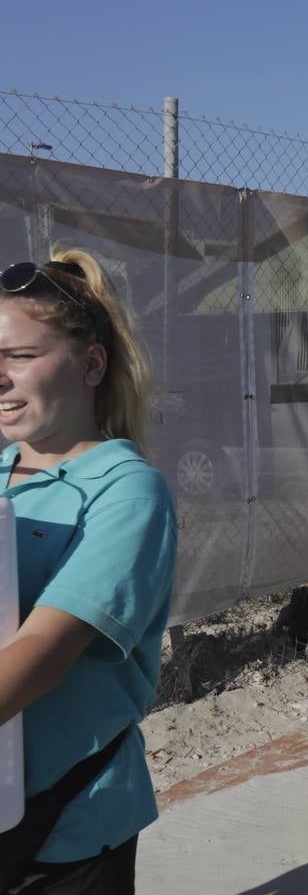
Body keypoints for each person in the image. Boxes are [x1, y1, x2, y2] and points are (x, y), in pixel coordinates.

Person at [0, 251, 176, 892]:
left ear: (92, 363)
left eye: (19, 356)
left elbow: (44, 653)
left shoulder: (127, 491)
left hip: (67, 820)